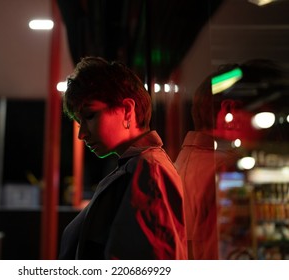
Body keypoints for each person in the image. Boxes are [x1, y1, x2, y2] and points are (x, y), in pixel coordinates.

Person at [58, 56, 187, 259]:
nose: (81, 134)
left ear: (127, 110)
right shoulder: (138, 166)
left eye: (90, 116)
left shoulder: (148, 170)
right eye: (78, 121)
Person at [174, 59, 285, 259]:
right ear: (229, 111)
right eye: (265, 113)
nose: (272, 129)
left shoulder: (181, 163)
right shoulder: (227, 171)